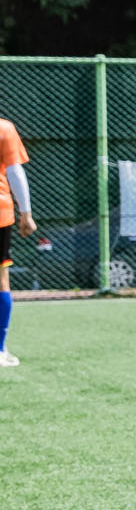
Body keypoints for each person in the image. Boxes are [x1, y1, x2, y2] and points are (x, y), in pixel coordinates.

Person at [0, 114, 32, 367]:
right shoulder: (4, 128)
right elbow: (14, 171)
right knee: (1, 281)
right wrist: (26, 214)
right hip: (1, 213)